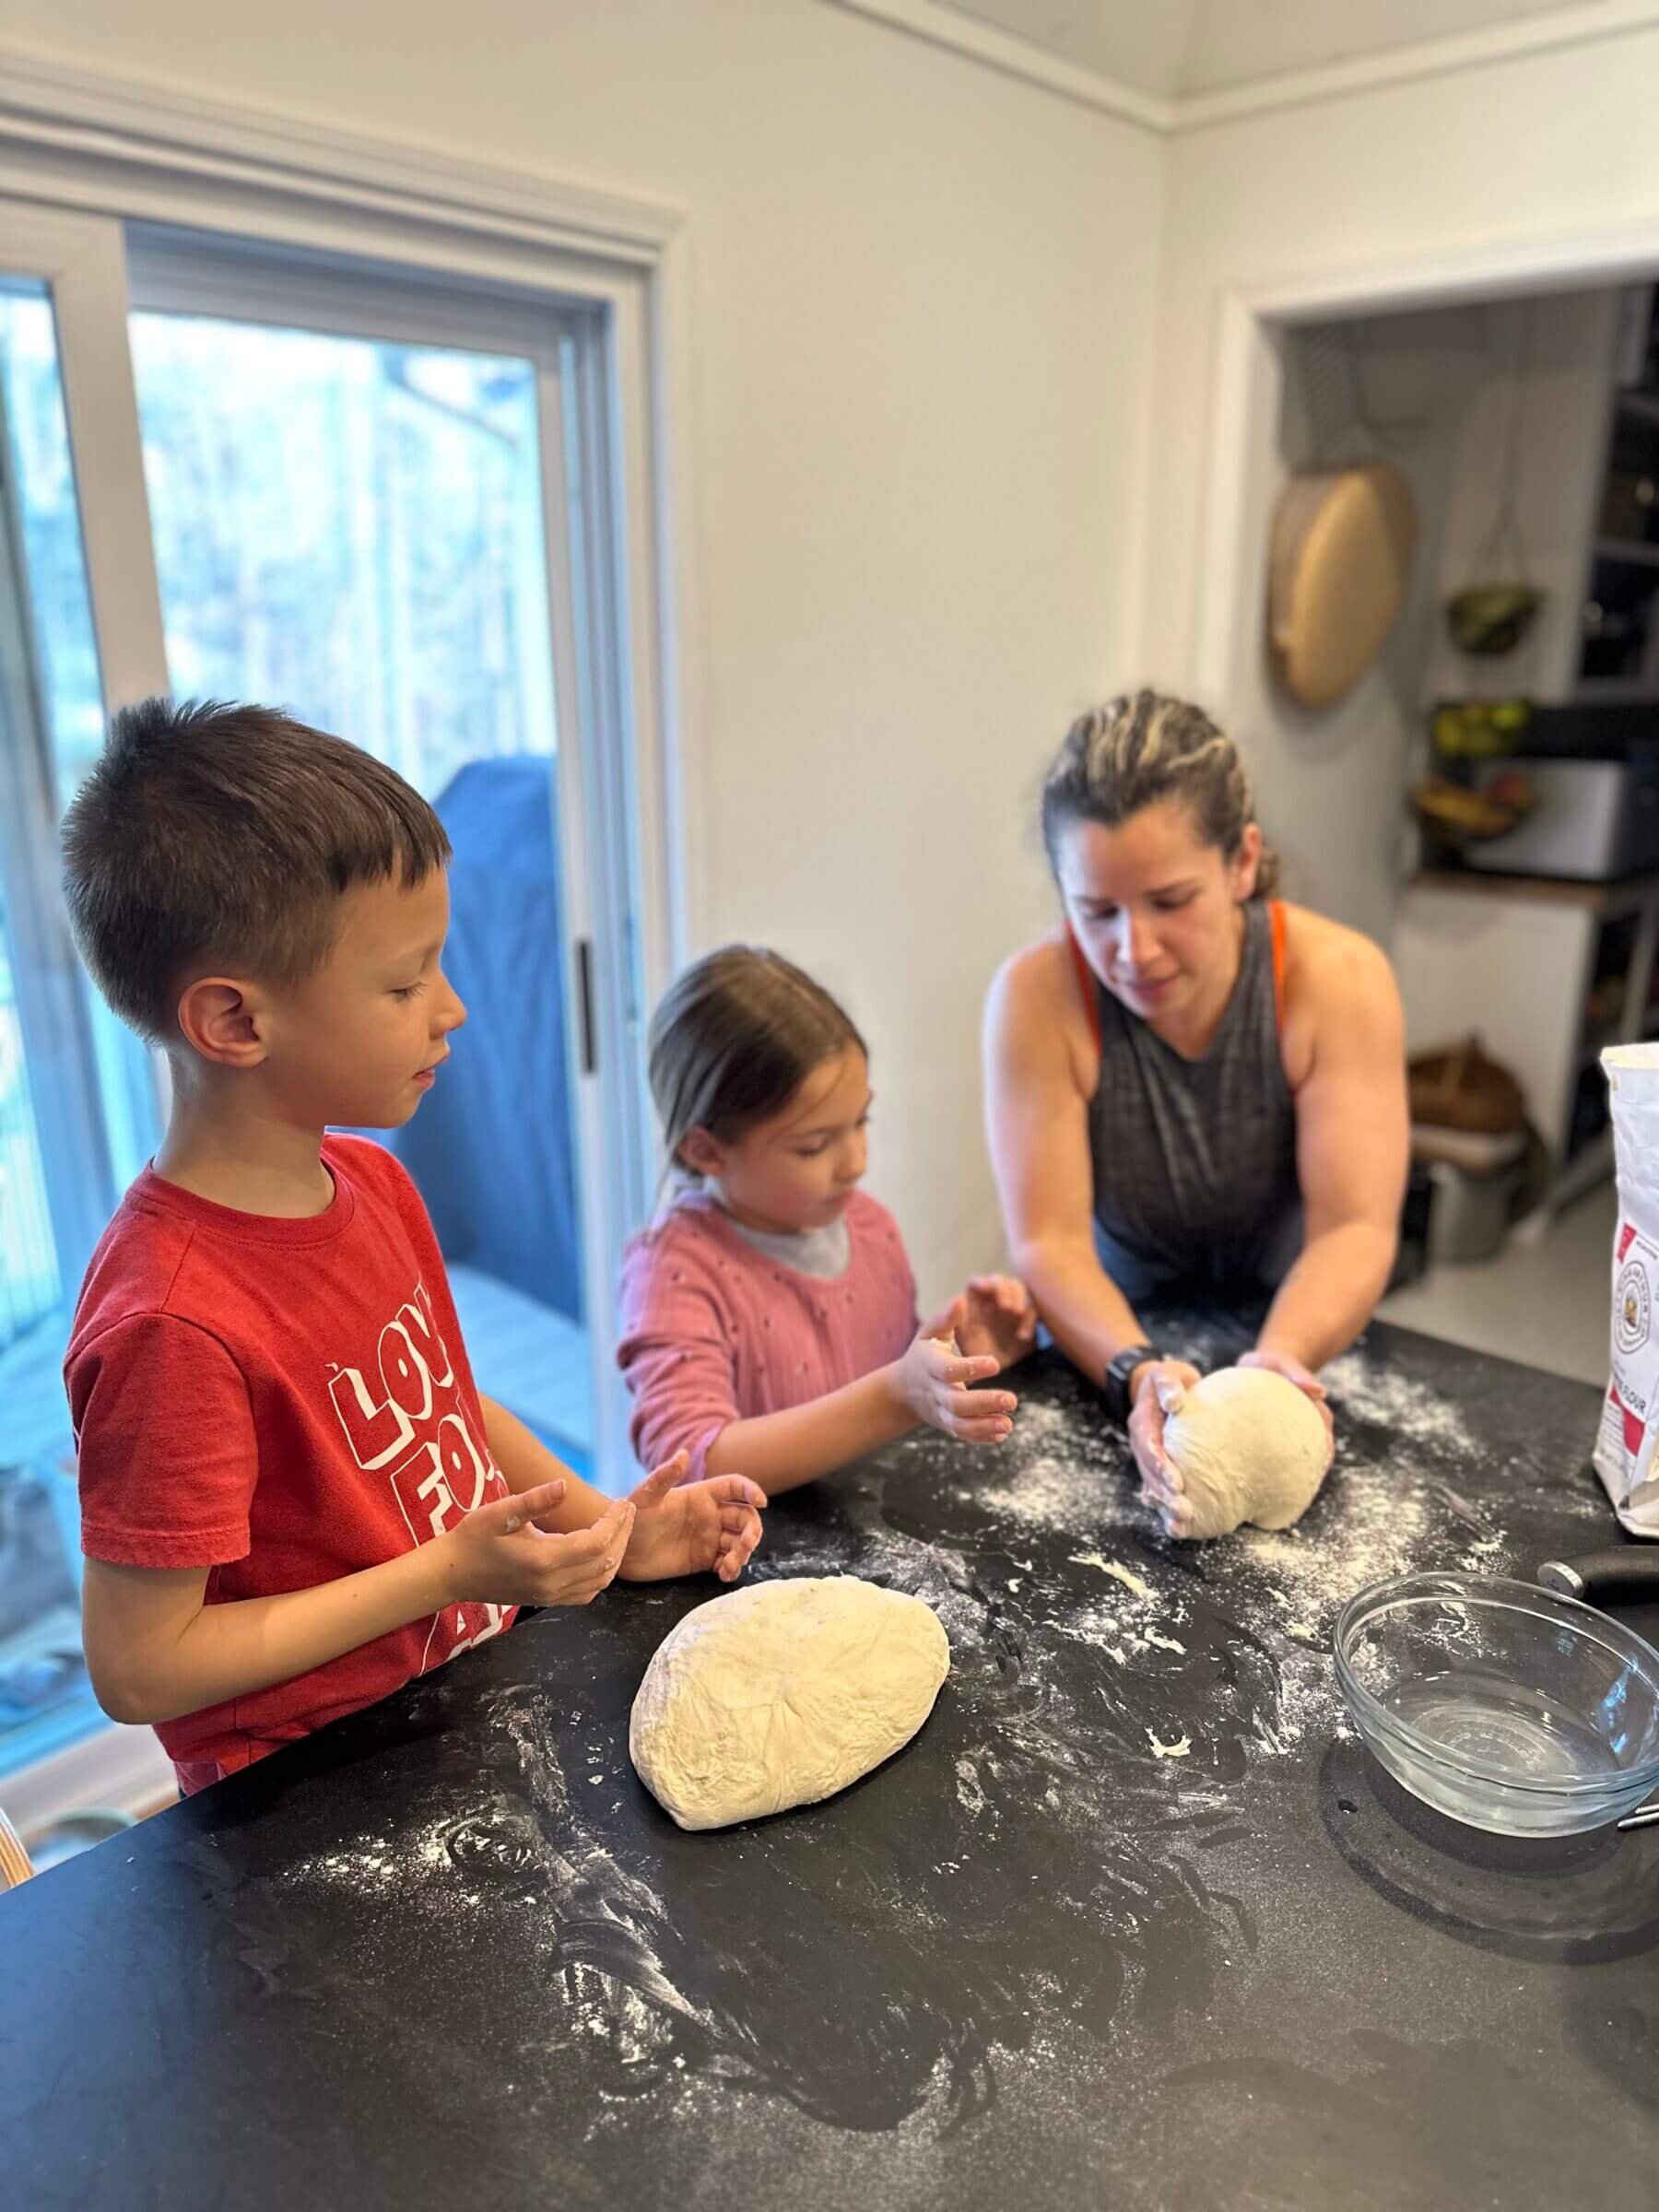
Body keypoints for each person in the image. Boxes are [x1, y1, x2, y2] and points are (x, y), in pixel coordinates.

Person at [60, 699, 765, 1794]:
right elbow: (142, 1666)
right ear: (234, 1024)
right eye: (403, 983)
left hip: (457, 1709)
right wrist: (439, 1575)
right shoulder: (173, 1322)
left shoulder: (377, 1183)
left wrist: (618, 1535)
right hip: (310, 1806)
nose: (453, 1010)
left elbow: (447, 1409)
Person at [982, 690, 1408, 1535]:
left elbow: (1353, 1229)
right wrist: (1137, 1371)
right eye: (1095, 911)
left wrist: (1281, 1362)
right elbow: (1051, 1242)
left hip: (1301, 1323)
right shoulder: (1036, 998)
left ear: (1242, 862)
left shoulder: (1336, 978)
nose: (1131, 951)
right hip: (1111, 1331)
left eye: (1170, 901)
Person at [618, 946, 1036, 1494]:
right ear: (707, 1152)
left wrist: (954, 1364)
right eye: (814, 1147)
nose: (856, 1161)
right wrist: (895, 1395)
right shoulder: (673, 1271)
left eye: (860, 1122)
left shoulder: (870, 1227)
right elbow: (691, 1465)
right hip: (757, 1570)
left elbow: (884, 1386)